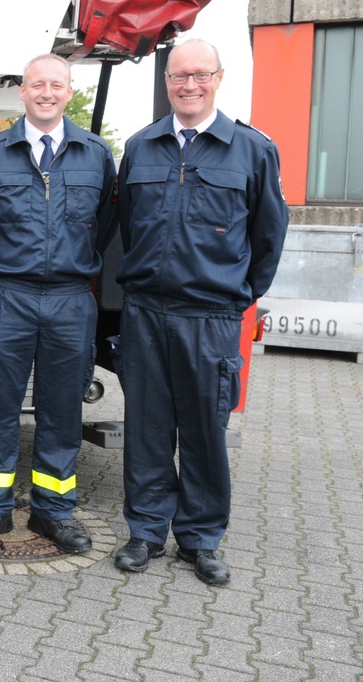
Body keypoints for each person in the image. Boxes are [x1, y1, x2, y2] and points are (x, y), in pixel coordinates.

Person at [114, 38, 288, 585]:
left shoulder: (253, 149)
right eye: (178, 76)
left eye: (199, 75)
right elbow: (125, 226)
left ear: (219, 77)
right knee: (146, 427)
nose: (189, 85)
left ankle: (201, 537)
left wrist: (235, 295)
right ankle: (145, 530)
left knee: (205, 430)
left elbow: (269, 236)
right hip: (145, 312)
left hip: (210, 316)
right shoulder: (141, 147)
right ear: (167, 82)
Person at [0, 53, 117, 553]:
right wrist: (5, 267)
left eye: (56, 85)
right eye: (36, 85)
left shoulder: (96, 154)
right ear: (21, 92)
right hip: (10, 296)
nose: (47, 93)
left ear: (70, 93)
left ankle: (54, 512)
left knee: (62, 411)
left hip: (71, 300)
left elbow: (106, 225)